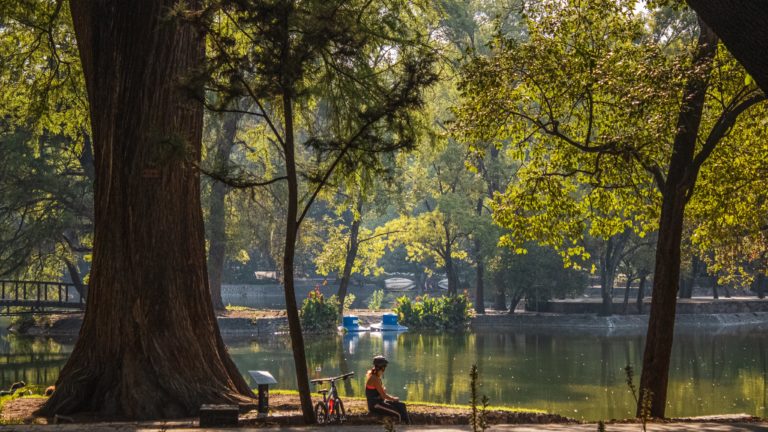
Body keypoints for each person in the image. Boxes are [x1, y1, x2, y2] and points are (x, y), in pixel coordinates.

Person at [365, 355, 410, 424]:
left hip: (380, 402)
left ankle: (408, 425)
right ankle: (404, 426)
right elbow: (384, 396)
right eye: (384, 367)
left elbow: (381, 393)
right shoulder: (374, 378)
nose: (385, 369)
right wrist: (394, 399)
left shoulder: (376, 377)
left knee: (402, 405)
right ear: (381, 367)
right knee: (398, 414)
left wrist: (385, 392)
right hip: (375, 405)